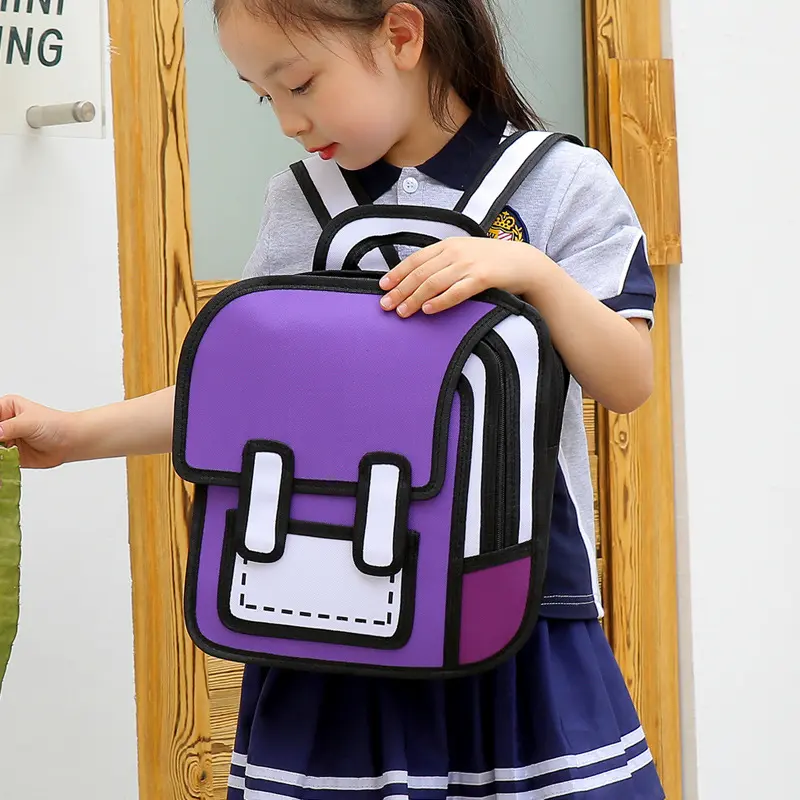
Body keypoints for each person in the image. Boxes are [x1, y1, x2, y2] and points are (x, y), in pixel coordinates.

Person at [0, 1, 665, 797]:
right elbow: (237, 400)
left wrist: (532, 274)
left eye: (301, 83)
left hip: (516, 608)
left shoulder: (561, 182)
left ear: (402, 35)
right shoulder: (301, 203)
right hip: (325, 606)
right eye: (264, 96)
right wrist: (73, 434)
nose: (288, 120)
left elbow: (627, 380)